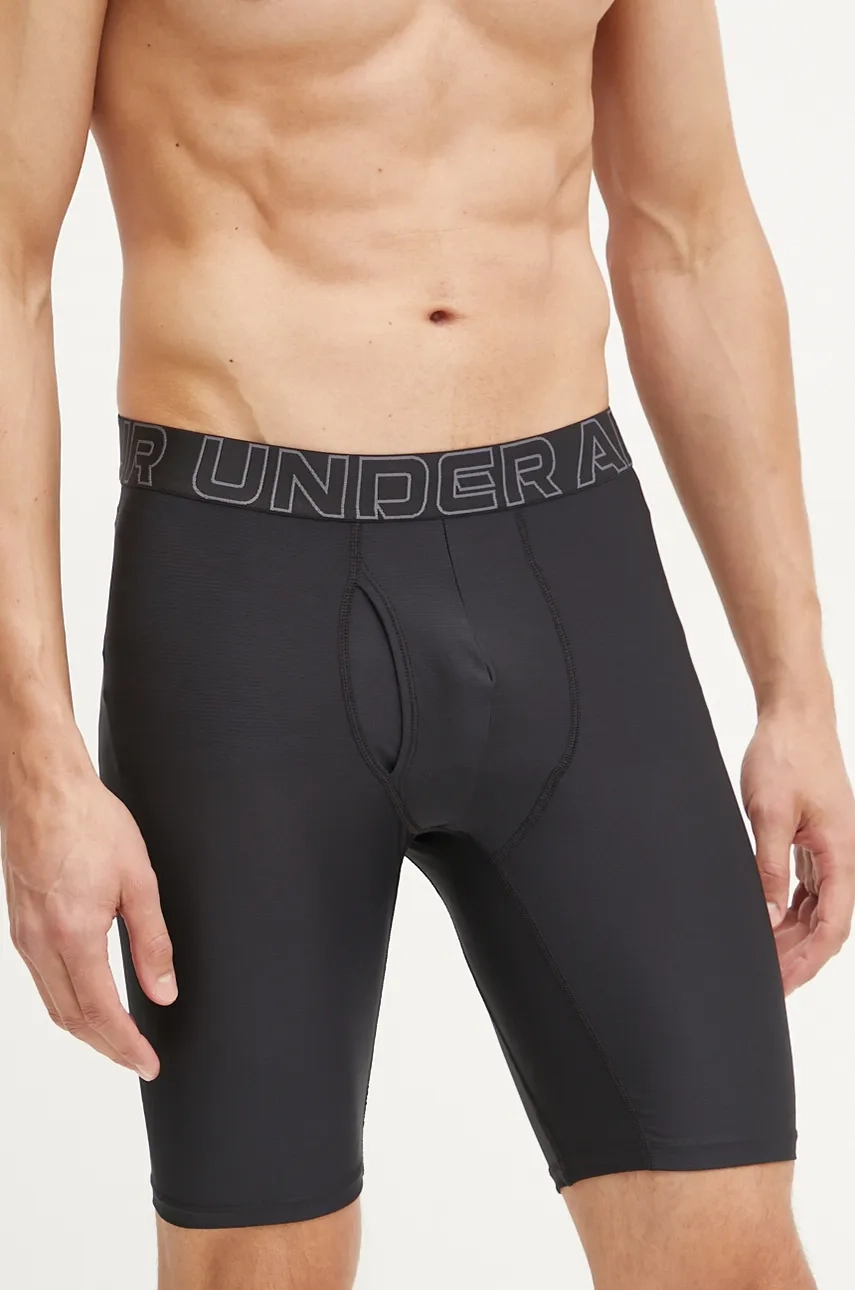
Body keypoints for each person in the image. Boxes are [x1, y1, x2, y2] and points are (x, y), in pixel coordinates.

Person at [1, 1, 853, 1287]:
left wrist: (797, 688)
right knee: (257, 1269)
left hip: (573, 573)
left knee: (733, 1251)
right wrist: (37, 764)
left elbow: (689, 232)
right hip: (249, 602)